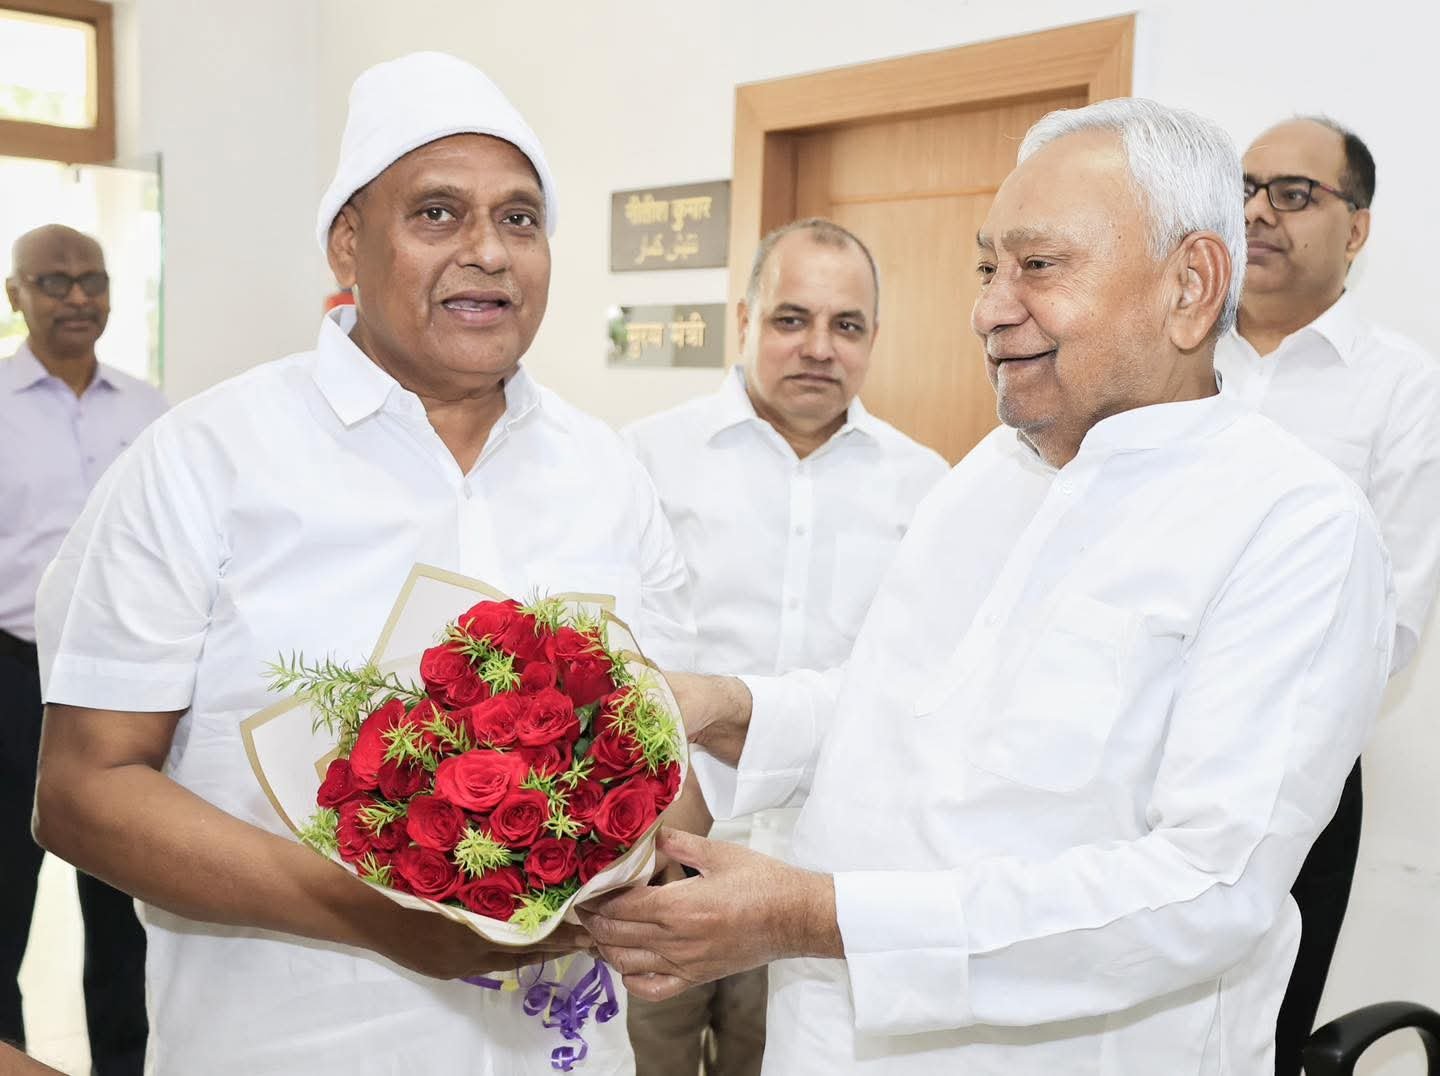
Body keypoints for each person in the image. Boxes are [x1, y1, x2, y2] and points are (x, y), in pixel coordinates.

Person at [581, 98, 1396, 1073]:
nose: (990, 309)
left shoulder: (1294, 527)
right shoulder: (987, 475)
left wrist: (817, 917)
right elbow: (892, 710)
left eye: (1038, 266)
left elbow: (1205, 890)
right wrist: (724, 708)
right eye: (988, 269)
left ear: (1190, 286)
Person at [32, 52, 693, 1075]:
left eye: (520, 219)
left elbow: (670, 759)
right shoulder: (207, 458)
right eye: (437, 213)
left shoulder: (608, 472)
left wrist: (654, 868)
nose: (488, 251)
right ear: (349, 240)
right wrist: (374, 915)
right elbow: (83, 791)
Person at [621, 218, 946, 1076]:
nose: (819, 348)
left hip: (821, 869)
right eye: (791, 319)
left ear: (874, 337)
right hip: (657, 852)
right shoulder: (647, 458)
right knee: (645, 1057)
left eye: (848, 325)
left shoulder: (927, 487)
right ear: (745, 319)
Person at [1216, 116, 1440, 1075]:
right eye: (1245, 188)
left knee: (1265, 1032)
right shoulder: (1172, 354)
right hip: (1124, 750)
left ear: (1358, 228)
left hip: (1295, 772)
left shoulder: (1402, 389)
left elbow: (1390, 624)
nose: (1258, 213)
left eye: (1294, 194)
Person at [1, 225, 162, 1075]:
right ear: (15, 295)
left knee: (126, 903)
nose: (76, 298)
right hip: (11, 676)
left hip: (127, 688)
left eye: (92, 280)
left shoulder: (152, 412)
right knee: (3, 900)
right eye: (53, 282)